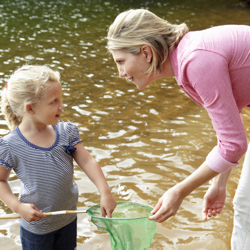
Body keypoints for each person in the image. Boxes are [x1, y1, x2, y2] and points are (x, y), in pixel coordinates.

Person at [107, 9, 250, 249]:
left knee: (247, 206)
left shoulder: (195, 61)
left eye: (121, 62)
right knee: (245, 206)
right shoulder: (186, 61)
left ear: (146, 52)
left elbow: (234, 145)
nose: (121, 73)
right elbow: (231, 123)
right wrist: (218, 182)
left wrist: (180, 191)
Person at [0, 65, 117, 250]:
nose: (62, 105)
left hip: (67, 219)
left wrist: (105, 192)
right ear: (30, 108)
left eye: (60, 99)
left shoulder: (65, 132)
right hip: (37, 228)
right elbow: (0, 181)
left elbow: (87, 161)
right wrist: (18, 208)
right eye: (54, 101)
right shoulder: (10, 145)